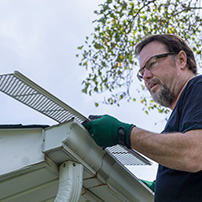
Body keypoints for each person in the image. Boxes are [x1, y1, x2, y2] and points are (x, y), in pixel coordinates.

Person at [82, 34, 202, 202]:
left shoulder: (197, 87)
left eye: (152, 64)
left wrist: (123, 133)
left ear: (181, 60)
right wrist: (157, 186)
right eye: (142, 72)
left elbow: (194, 153)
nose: (146, 76)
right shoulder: (178, 121)